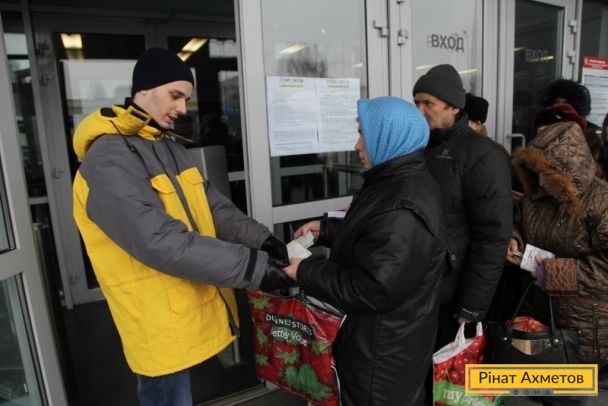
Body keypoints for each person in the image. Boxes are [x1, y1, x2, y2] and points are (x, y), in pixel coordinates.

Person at [72, 48, 292, 406]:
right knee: (168, 396)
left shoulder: (168, 147)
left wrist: (261, 239)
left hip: (182, 302)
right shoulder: (109, 158)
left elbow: (214, 207)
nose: (181, 108)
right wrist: (255, 268)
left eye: (185, 99)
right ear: (145, 89)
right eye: (175, 95)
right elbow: (159, 241)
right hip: (155, 316)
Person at [284, 96, 448, 405]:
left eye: (364, 134)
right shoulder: (395, 181)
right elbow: (375, 234)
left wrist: (304, 270)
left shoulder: (403, 205)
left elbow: (372, 287)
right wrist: (326, 231)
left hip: (380, 357)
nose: (358, 145)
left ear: (389, 137)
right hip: (382, 343)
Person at [506, 118, 608, 403]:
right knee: (539, 390)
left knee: (568, 397)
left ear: (567, 172)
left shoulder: (601, 202)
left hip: (582, 324)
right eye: (536, 173)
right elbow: (520, 223)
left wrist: (553, 272)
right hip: (538, 313)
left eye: (547, 175)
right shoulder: (536, 197)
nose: (540, 182)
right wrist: (514, 238)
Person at [412, 64, 513, 346]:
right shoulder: (418, 147)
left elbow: (492, 235)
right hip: (419, 286)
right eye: (416, 102)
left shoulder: (482, 155)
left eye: (428, 103)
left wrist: (472, 304)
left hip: (453, 295)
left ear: (454, 107)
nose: (420, 110)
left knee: (446, 367)